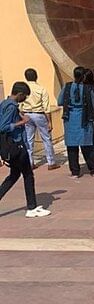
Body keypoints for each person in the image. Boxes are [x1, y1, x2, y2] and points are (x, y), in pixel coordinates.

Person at [0, 82, 52, 217]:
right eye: (25, 96)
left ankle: (31, 206)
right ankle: (31, 207)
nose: (25, 99)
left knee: (14, 175)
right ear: (20, 94)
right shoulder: (11, 107)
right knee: (28, 175)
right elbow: (3, 126)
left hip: (12, 146)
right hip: (16, 145)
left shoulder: (5, 104)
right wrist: (22, 122)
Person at [58, 67, 94, 179]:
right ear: (84, 77)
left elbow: (60, 101)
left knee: (72, 147)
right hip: (84, 119)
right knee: (87, 145)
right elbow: (93, 104)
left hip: (70, 119)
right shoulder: (87, 88)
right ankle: (93, 169)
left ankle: (75, 172)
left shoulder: (67, 87)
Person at [20, 68, 59, 170]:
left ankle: (30, 162)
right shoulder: (41, 89)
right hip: (39, 114)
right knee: (46, 138)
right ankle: (51, 162)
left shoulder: (23, 90)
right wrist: (49, 122)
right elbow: (46, 108)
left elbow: (20, 105)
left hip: (27, 114)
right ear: (36, 76)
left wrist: (22, 115)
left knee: (29, 139)